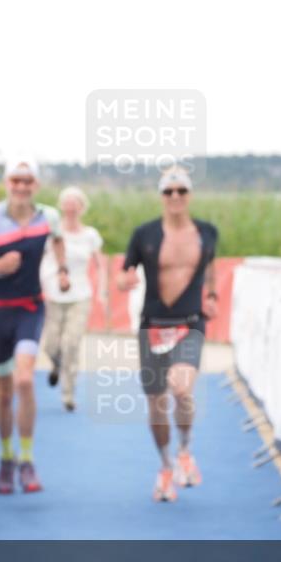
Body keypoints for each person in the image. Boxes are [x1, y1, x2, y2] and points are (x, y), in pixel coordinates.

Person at [0, 156, 69, 495]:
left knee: (24, 379)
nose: (21, 187)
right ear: (7, 183)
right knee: (3, 394)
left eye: (27, 181)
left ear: (36, 185)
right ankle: (6, 459)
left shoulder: (48, 216)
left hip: (31, 309)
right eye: (15, 181)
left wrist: (62, 270)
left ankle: (28, 460)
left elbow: (58, 238)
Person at [116, 166, 218, 502]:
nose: (175, 197)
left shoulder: (206, 232)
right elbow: (122, 274)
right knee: (157, 405)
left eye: (181, 191)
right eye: (168, 191)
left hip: (190, 323)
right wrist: (123, 282)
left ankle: (185, 449)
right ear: (161, 196)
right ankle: (165, 466)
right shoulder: (144, 234)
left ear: (189, 195)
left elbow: (210, 268)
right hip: (153, 326)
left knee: (181, 385)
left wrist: (213, 297)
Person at [41, 186, 105, 411]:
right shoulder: (52, 232)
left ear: (81, 207)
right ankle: (56, 364)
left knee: (71, 343)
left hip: (80, 295)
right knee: (51, 343)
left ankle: (68, 393)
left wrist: (102, 292)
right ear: (61, 207)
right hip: (53, 293)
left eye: (74, 204)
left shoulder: (90, 235)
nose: (70, 208)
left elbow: (100, 265)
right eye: (66, 203)